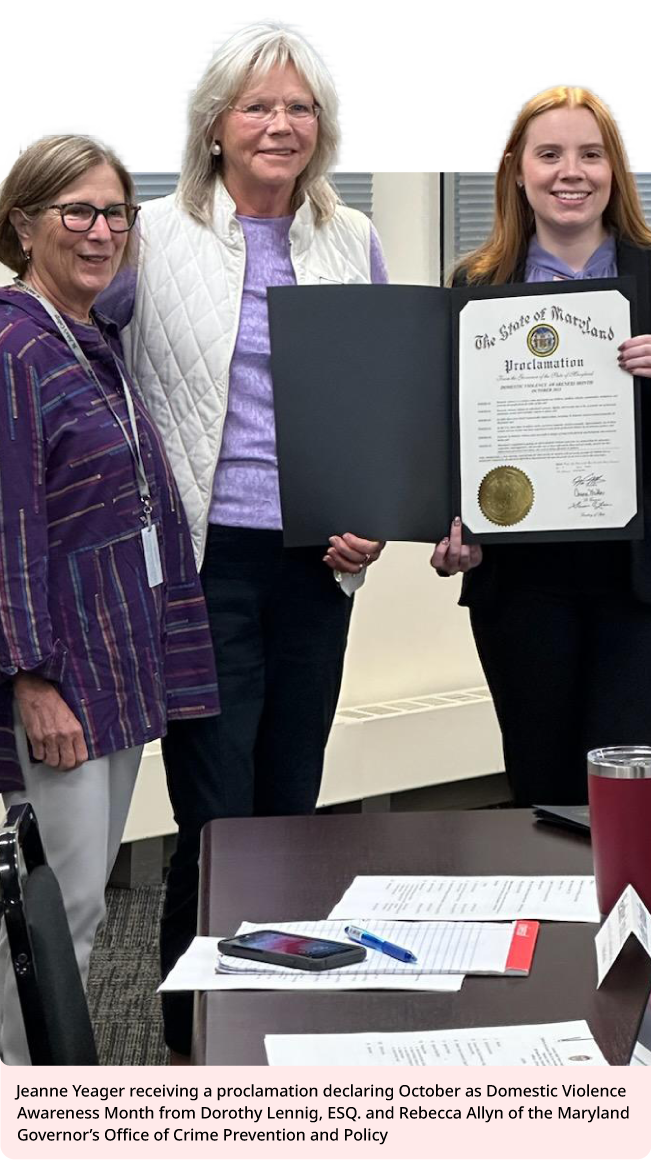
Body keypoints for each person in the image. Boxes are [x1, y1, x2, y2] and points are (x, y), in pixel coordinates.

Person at [99, 19, 388, 1062]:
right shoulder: (147, 235)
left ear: (323, 128)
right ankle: (197, 1036)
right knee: (217, 809)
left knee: (291, 797)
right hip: (200, 564)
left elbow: (375, 398)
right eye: (257, 105)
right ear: (213, 126)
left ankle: (282, 1025)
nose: (280, 123)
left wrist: (370, 515)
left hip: (318, 563)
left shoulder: (349, 240)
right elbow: (77, 359)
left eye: (299, 107)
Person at [0, 135, 218, 1065]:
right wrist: (30, 680)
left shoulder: (88, 339)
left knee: (76, 899)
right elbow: (6, 527)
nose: (100, 232)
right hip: (64, 678)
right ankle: (23, 1086)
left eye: (116, 214)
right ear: (22, 224)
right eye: (75, 213)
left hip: (118, 663)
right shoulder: (13, 343)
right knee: (61, 910)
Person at [432, 84, 651, 807]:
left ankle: (636, 924)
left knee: (637, 794)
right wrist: (446, 527)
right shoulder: (475, 285)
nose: (569, 172)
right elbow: (450, 432)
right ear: (516, 169)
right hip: (519, 583)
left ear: (615, 171)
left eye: (589, 154)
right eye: (548, 155)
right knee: (541, 786)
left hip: (646, 587)